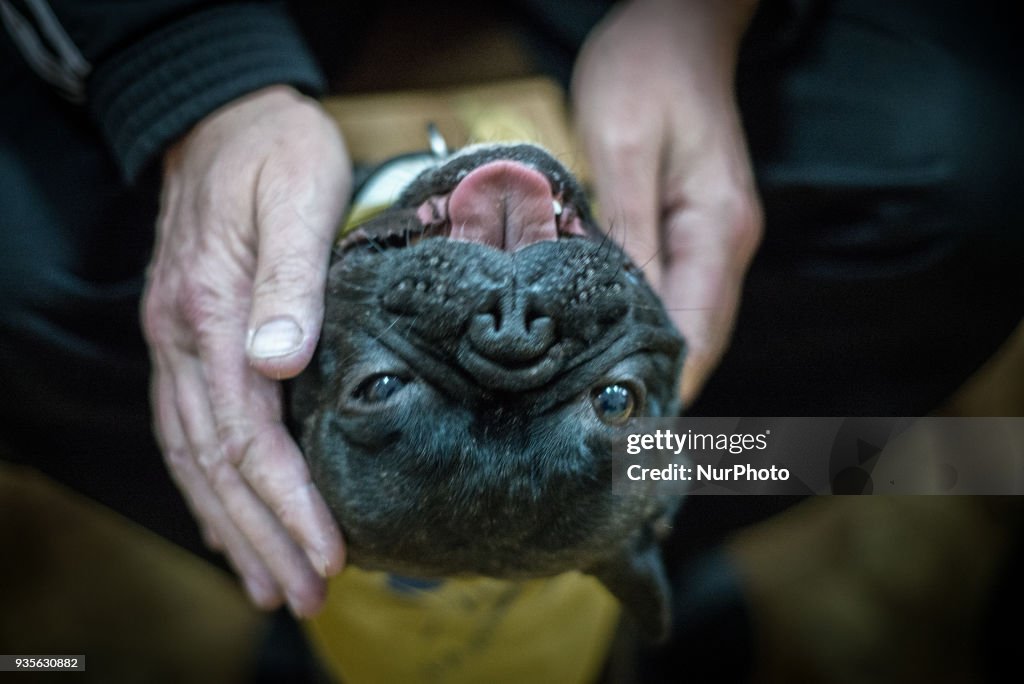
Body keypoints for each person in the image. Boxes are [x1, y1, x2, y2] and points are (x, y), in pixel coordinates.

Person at [2, 0, 1021, 675]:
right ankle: (645, 546)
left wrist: (179, 75)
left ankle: (298, 581)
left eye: (383, 391)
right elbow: (966, 461)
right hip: (648, 486)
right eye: (604, 396)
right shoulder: (661, 456)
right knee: (974, 172)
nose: (512, 324)